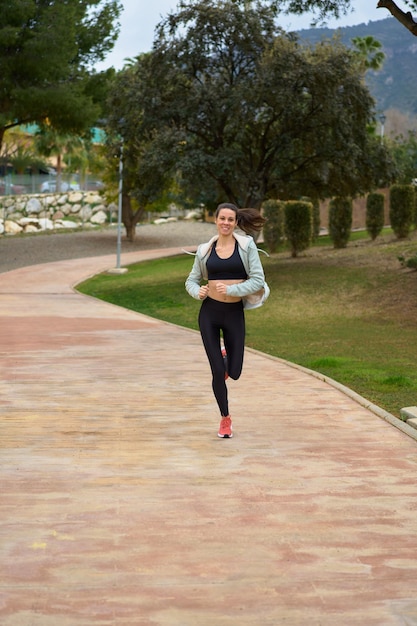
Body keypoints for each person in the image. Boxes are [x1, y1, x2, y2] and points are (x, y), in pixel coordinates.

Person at [185, 202, 269, 438]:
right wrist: (197, 291)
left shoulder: (246, 246)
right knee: (216, 371)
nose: (225, 223)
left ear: (235, 222)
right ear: (216, 220)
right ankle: (225, 418)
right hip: (209, 313)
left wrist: (232, 290)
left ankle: (226, 357)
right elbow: (191, 280)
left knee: (235, 372)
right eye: (222, 218)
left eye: (230, 220)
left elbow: (258, 280)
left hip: (233, 314)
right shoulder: (205, 250)